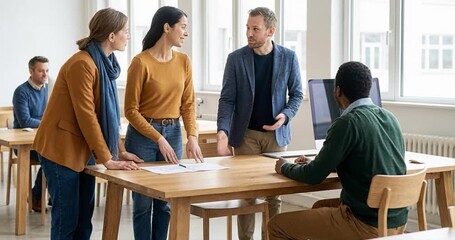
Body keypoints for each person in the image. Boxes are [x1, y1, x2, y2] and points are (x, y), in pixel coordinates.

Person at [32, 8, 143, 239]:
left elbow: (109, 118)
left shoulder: (105, 64)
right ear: (111, 36)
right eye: (125, 31)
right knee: (67, 223)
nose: (128, 36)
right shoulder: (82, 64)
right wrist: (108, 159)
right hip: (61, 150)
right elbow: (87, 115)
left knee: (84, 222)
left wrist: (119, 151)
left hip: (82, 153)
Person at [269, 61, 407, 240]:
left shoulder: (347, 122)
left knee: (276, 225)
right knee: (319, 207)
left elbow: (313, 176)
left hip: (365, 224)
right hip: (396, 221)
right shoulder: (390, 118)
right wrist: (322, 163)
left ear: (338, 91)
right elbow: (364, 160)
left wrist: (285, 167)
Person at [216, 7, 303, 240]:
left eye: (255, 28)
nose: (249, 33)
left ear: (270, 31)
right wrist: (222, 131)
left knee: (275, 195)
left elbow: (296, 95)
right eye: (247, 28)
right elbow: (227, 99)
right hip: (246, 136)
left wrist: (285, 115)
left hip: (277, 137)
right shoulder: (236, 59)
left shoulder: (289, 57)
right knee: (248, 195)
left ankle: (271, 237)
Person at [124, 6, 203, 240]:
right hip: (142, 137)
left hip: (175, 134)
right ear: (167, 27)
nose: (186, 33)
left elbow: (188, 104)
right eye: (183, 27)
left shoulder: (184, 61)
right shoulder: (140, 63)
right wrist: (158, 138)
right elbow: (130, 111)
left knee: (166, 202)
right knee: (142, 204)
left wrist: (192, 136)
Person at [12, 56, 49, 212]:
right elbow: (25, 121)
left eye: (47, 70)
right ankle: (36, 196)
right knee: (51, 158)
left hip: (44, 140)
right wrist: (48, 123)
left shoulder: (49, 89)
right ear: (31, 71)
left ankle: (53, 196)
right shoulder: (21, 92)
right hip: (25, 145)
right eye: (41, 71)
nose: (45, 74)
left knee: (62, 155)